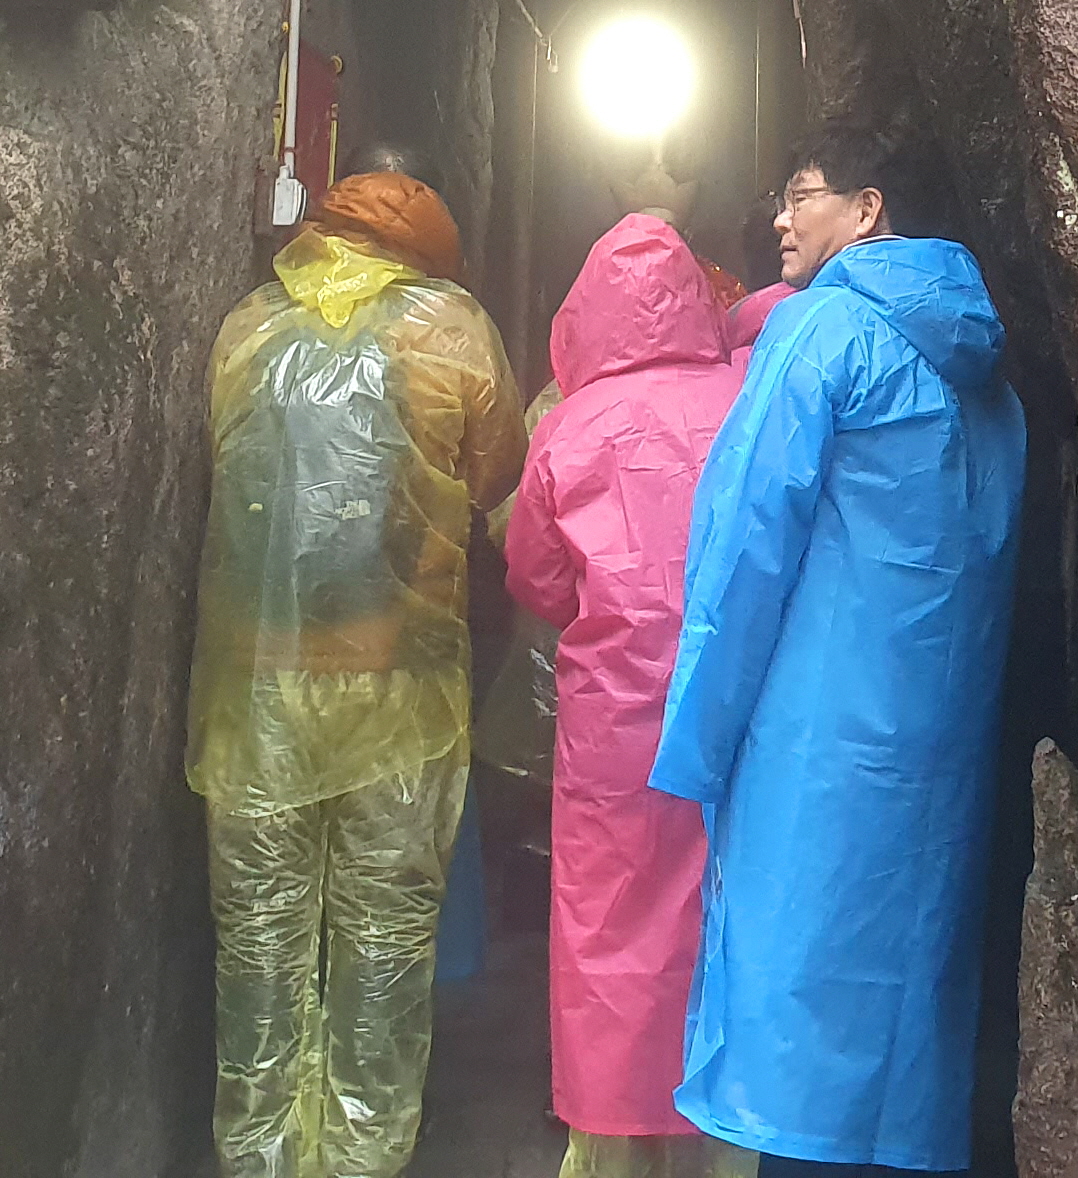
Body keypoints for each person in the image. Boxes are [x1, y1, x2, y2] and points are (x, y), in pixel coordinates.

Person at [650, 123, 1028, 1176]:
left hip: (814, 735)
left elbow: (745, 538)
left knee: (797, 1016)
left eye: (800, 194)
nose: (779, 217)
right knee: (905, 1008)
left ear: (866, 210)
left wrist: (699, 736)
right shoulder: (984, 364)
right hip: (942, 743)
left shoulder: (822, 328)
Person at [187, 142, 527, 1178]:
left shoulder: (248, 325)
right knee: (382, 936)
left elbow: (226, 459)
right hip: (397, 689)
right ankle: (363, 1154)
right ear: (430, 250)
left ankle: (259, 1153)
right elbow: (497, 473)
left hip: (256, 687)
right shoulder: (454, 327)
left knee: (260, 934)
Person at [503, 213, 784, 1178]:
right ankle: (730, 1146)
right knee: (729, 921)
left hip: (613, 729)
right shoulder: (748, 395)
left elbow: (537, 580)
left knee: (610, 934)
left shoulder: (569, 424)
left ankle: (616, 1148)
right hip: (740, 710)